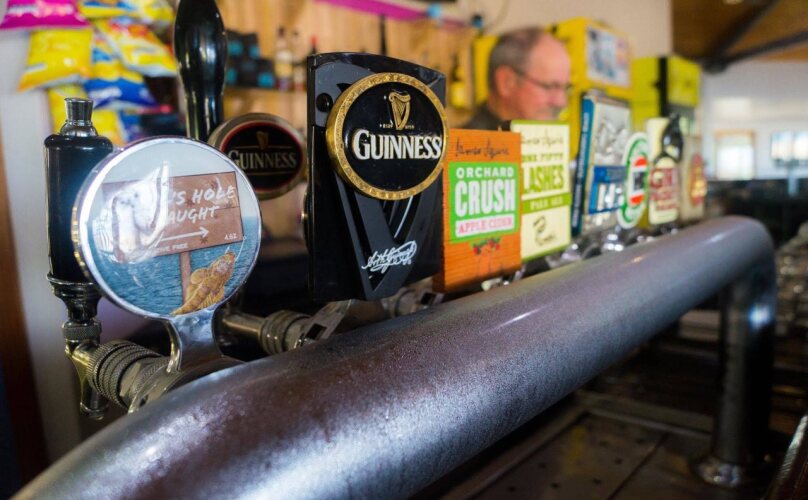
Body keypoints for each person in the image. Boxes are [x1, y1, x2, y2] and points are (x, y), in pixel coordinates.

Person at [464, 27, 571, 130]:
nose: (561, 102)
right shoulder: (466, 141)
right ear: (506, 82)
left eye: (566, 88)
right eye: (549, 87)